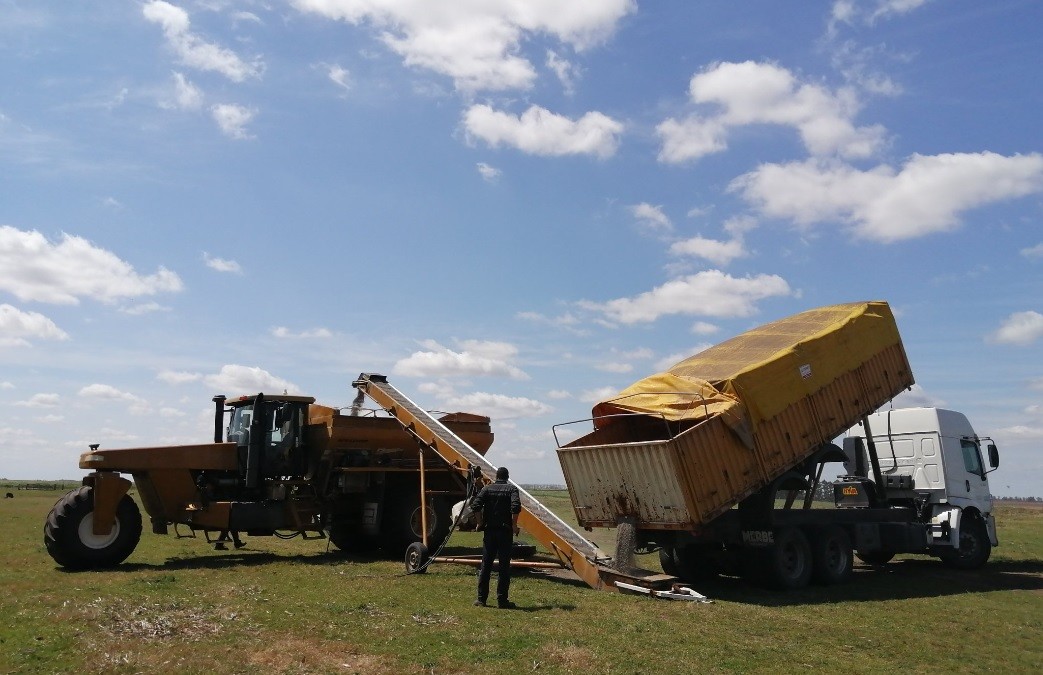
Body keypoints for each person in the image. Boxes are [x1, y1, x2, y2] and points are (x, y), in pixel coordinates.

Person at [469, 466, 521, 609]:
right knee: (504, 566)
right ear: (507, 477)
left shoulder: (487, 489)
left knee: (486, 565)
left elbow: (475, 506)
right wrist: (514, 525)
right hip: (505, 532)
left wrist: (480, 523)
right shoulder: (512, 489)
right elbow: (515, 507)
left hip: (490, 532)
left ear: (496, 476)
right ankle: (502, 600)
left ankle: (481, 599)